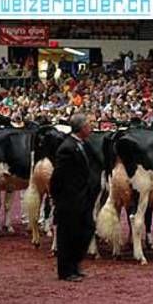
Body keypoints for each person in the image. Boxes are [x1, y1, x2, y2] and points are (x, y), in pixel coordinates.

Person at [50, 114, 95, 282]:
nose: (90, 128)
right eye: (88, 125)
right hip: (69, 200)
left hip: (83, 198)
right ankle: (66, 271)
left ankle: (75, 265)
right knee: (67, 235)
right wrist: (58, 199)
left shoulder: (83, 145)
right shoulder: (67, 148)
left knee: (86, 229)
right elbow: (58, 177)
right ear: (81, 128)